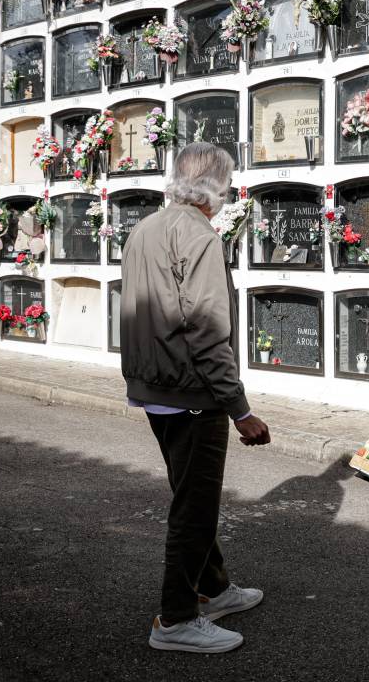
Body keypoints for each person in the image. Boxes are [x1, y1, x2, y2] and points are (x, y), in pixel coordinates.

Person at [120, 142, 272, 654]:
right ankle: (176, 619)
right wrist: (240, 410)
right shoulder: (201, 236)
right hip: (193, 395)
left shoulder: (146, 228)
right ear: (216, 187)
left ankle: (214, 588)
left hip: (154, 390)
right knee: (195, 508)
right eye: (227, 185)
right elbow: (207, 331)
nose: (228, 195)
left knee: (190, 495)